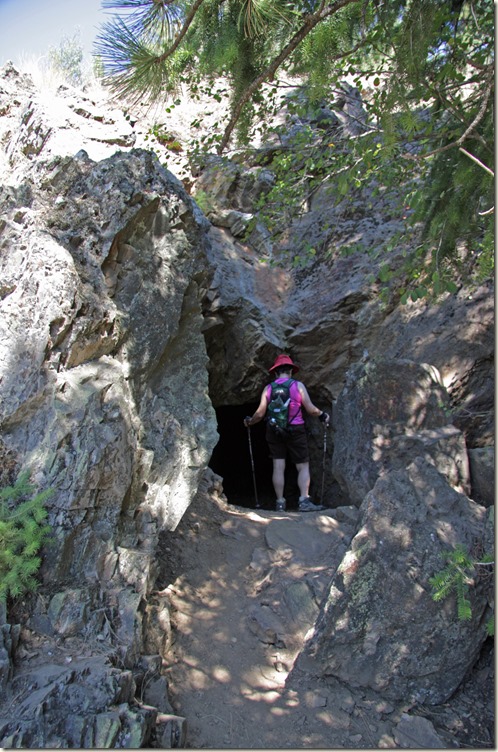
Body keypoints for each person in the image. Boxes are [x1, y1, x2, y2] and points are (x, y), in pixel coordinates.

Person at [244, 354, 329, 512]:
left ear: (276, 372)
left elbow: (260, 414)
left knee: (278, 466)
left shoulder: (269, 388)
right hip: (296, 429)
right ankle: (304, 501)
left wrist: (250, 422)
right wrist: (322, 415)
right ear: (290, 371)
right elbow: (310, 409)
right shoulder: (298, 386)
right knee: (302, 465)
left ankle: (280, 502)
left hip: (274, 429)